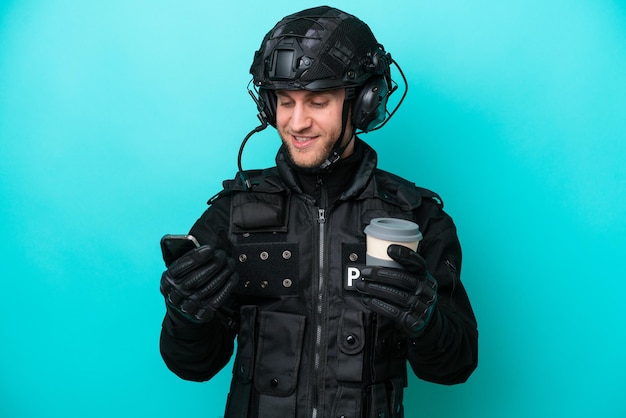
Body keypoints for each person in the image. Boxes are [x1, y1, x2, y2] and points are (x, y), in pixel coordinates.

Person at [159, 6, 478, 418]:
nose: (297, 122)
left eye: (318, 101)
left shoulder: (417, 219)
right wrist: (186, 316)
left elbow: (455, 368)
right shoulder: (231, 214)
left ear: (364, 102)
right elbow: (192, 366)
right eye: (285, 102)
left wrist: (427, 319)